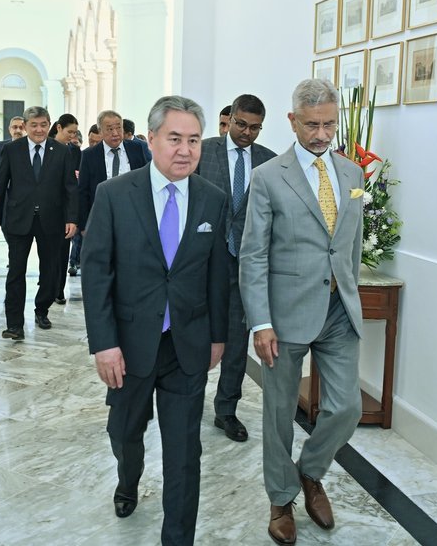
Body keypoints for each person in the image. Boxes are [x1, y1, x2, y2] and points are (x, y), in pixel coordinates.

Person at [81, 95, 229, 546]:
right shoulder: (114, 195)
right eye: (174, 139)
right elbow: (96, 272)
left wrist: (218, 338)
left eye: (194, 140)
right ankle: (128, 479)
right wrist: (104, 344)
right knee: (125, 432)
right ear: (150, 139)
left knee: (184, 453)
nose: (185, 150)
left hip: (187, 345)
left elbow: (218, 275)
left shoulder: (212, 200)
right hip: (128, 346)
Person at [239, 79, 365, 545]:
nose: (321, 134)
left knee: (347, 407)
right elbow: (253, 254)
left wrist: (349, 292)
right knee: (278, 413)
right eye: (312, 125)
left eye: (329, 124)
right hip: (285, 315)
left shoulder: (352, 174)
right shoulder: (269, 176)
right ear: (293, 121)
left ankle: (310, 472)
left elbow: (349, 247)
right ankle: (281, 498)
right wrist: (261, 322)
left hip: (338, 309)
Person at [197, 94, 276, 442]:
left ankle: (226, 410)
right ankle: (184, 401)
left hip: (246, 264)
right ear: (229, 119)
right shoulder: (204, 151)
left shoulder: (269, 162)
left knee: (235, 340)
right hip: (202, 261)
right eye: (241, 124)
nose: (246, 132)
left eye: (255, 128)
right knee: (194, 337)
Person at [0, 106, 78, 340]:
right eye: (34, 125)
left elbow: (70, 187)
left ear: (50, 126)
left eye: (43, 125)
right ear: (26, 126)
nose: (39, 130)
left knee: (50, 271)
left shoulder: (61, 151)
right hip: (18, 219)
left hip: (52, 220)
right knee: (16, 272)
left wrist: (71, 218)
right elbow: (1, 185)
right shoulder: (11, 149)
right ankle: (14, 325)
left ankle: (42, 310)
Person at [77, 110, 149, 234]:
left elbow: (145, 182)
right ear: (100, 131)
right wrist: (84, 226)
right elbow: (83, 191)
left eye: (118, 128)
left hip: (132, 216)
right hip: (101, 217)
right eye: (110, 129)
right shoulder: (90, 155)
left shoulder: (136, 148)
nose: (115, 133)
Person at [48, 114, 81, 304]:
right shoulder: (46, 146)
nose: (72, 136)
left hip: (64, 209)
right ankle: (47, 284)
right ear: (59, 128)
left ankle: (58, 289)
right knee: (48, 252)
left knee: (62, 252)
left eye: (75, 133)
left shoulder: (74, 151)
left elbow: (74, 185)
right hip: (46, 207)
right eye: (70, 131)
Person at [0, 116, 26, 203]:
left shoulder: (32, 148)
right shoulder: (0, 146)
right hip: (4, 193)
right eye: (15, 127)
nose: (18, 130)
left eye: (21, 127)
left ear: (26, 129)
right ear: (9, 129)